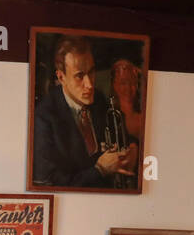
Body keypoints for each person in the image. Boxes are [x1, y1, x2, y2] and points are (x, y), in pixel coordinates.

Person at [32, 35, 138, 188]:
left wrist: (134, 149)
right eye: (79, 76)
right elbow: (48, 183)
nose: (89, 84)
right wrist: (100, 170)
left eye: (91, 71)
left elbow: (124, 137)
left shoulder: (99, 99)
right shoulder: (43, 118)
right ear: (61, 77)